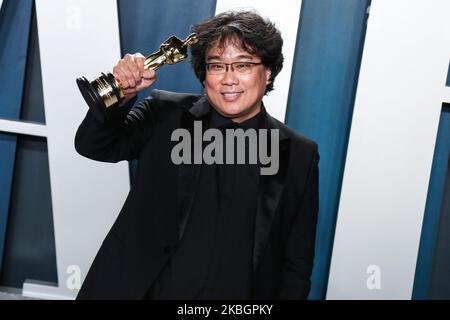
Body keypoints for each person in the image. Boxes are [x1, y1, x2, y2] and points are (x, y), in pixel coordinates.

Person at [75, 10, 319, 300]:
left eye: (242, 65)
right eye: (216, 66)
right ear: (205, 76)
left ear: (267, 73)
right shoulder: (164, 114)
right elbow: (93, 145)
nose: (229, 79)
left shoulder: (299, 154)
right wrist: (122, 94)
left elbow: (297, 263)